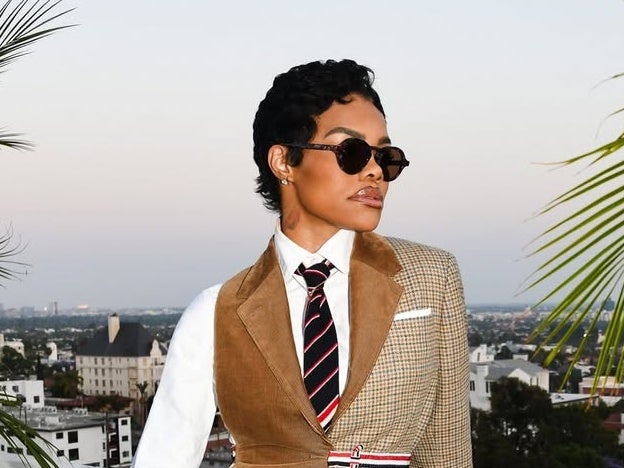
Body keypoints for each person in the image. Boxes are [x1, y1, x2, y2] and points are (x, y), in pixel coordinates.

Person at [132, 59, 472, 468]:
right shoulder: (217, 311)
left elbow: (447, 450)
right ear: (283, 162)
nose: (374, 171)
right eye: (352, 152)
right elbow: (164, 457)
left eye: (386, 157)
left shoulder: (432, 276)